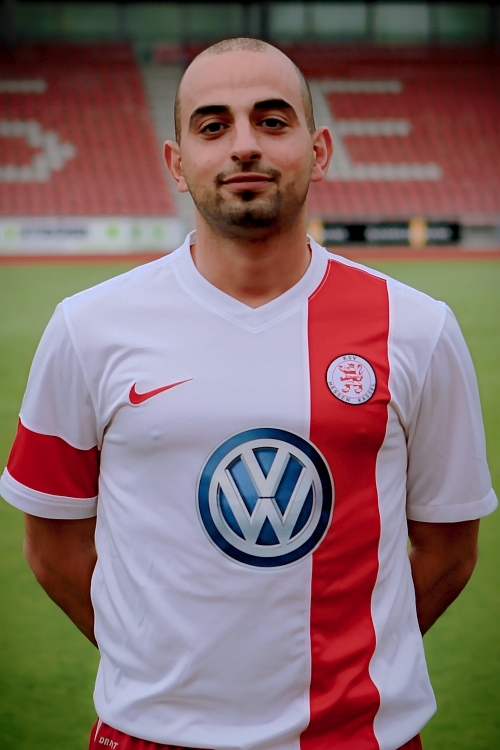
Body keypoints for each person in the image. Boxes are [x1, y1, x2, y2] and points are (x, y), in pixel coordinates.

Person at [0, 37, 497, 750]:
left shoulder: (418, 329)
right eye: (213, 126)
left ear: (319, 151)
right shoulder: (86, 328)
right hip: (149, 737)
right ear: (177, 164)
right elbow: (52, 547)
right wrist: (154, 665)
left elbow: (450, 551)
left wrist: (353, 661)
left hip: (358, 738)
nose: (243, 146)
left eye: (272, 120)